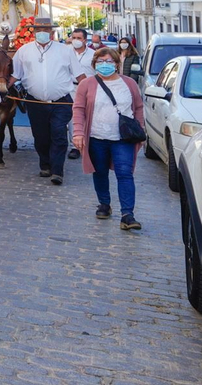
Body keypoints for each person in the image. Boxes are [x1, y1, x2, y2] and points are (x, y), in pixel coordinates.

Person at [71, 46, 145, 230]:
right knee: (100, 171)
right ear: (95, 64)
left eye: (109, 62)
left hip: (123, 138)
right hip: (96, 136)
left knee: (125, 173)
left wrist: (141, 131)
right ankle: (104, 203)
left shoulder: (129, 84)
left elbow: (138, 107)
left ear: (117, 64)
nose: (105, 65)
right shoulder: (86, 84)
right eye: (100, 62)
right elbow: (78, 109)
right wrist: (78, 132)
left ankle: (127, 214)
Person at [11, 16, 77, 184]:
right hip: (36, 102)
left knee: (59, 134)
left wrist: (91, 91)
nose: (42, 33)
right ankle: (45, 165)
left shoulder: (66, 50)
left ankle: (57, 171)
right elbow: (15, 75)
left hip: (61, 102)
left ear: (52, 32)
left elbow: (79, 75)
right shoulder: (23, 51)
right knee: (41, 136)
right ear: (33, 32)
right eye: (39, 30)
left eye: (46, 30)